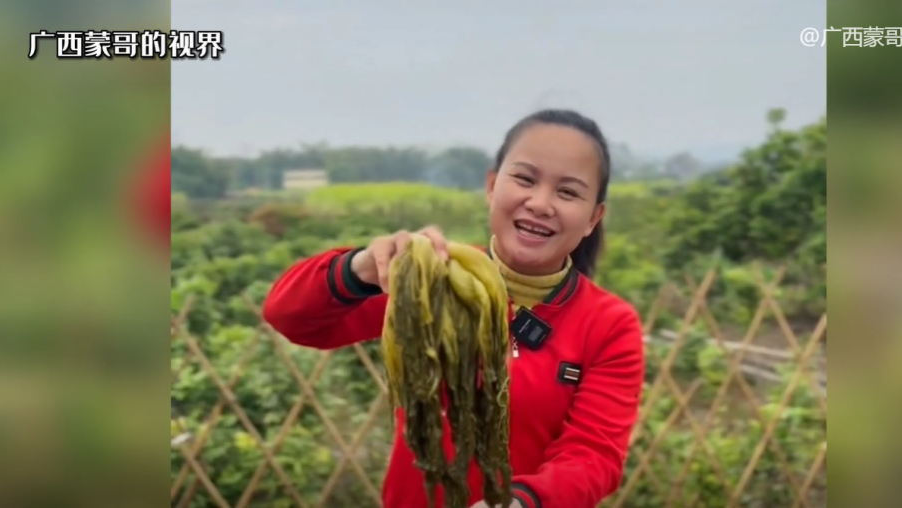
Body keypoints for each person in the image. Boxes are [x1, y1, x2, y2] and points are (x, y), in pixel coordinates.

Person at [263, 109, 645, 508]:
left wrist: (515, 504)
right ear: (492, 187)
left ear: (593, 218)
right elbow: (290, 316)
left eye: (567, 192)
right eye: (525, 179)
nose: (540, 203)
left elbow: (593, 457)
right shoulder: (433, 279)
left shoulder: (609, 324)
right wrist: (360, 267)